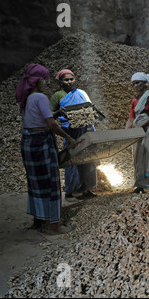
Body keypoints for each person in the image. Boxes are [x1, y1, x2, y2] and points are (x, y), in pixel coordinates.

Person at [16, 64, 77, 235]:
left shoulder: (27, 97)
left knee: (35, 182)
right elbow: (50, 124)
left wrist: (55, 113)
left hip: (28, 142)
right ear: (38, 80)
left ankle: (38, 221)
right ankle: (54, 227)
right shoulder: (41, 97)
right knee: (51, 182)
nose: (45, 83)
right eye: (44, 80)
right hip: (42, 142)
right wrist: (68, 137)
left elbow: (38, 118)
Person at [50, 69, 97, 202]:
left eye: (72, 79)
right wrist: (59, 112)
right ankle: (70, 192)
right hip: (69, 131)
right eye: (66, 80)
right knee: (72, 160)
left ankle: (86, 189)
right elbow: (49, 115)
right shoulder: (57, 96)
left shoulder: (81, 93)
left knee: (87, 158)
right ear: (60, 82)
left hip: (85, 129)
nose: (70, 82)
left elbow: (90, 107)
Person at [125, 72, 149, 193]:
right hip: (138, 130)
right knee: (138, 155)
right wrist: (126, 132)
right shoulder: (135, 100)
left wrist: (142, 126)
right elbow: (131, 117)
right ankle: (140, 184)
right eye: (133, 84)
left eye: (137, 83)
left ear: (145, 83)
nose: (135, 86)